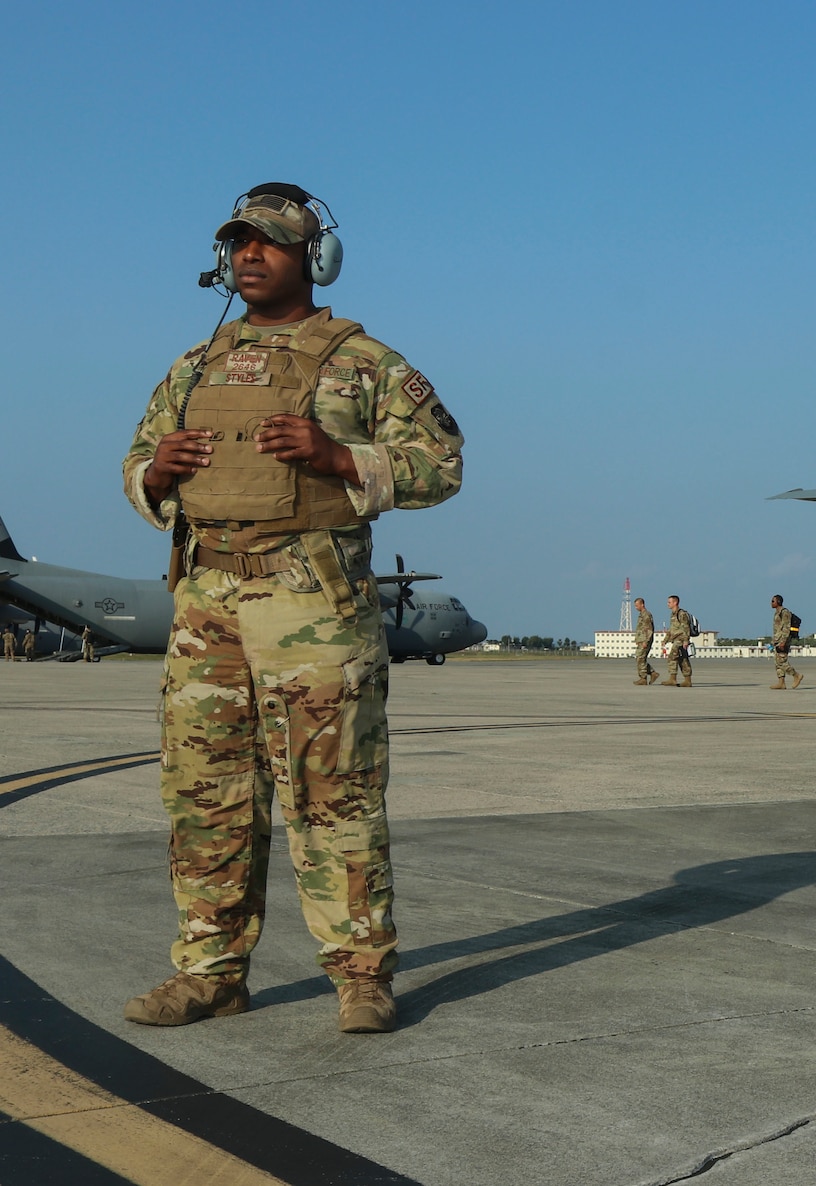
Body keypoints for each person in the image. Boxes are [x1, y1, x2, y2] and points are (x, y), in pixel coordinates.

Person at [120, 183, 464, 1035]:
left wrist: (340, 457)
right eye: (239, 241)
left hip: (310, 601)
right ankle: (209, 972)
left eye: (270, 241)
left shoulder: (365, 362)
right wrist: (156, 471)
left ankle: (360, 977)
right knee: (206, 793)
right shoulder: (192, 365)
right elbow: (137, 468)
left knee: (331, 793)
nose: (250, 254)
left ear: (315, 257)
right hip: (207, 606)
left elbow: (442, 464)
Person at [770, 594, 802, 689]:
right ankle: (781, 682)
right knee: (777, 662)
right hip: (777, 640)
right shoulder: (777, 613)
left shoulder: (785, 612)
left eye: (773, 601)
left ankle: (796, 675)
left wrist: (783, 641)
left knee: (782, 662)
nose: (771, 603)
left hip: (783, 640)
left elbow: (786, 627)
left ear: (778, 602)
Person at [663, 595, 694, 687]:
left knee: (672, 657)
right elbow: (672, 629)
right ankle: (687, 680)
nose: (668, 604)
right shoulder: (673, 614)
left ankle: (673, 679)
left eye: (669, 602)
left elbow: (686, 627)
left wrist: (686, 640)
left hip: (680, 639)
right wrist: (665, 640)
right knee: (682, 659)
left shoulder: (681, 614)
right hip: (676, 639)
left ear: (675, 602)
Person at [633, 596, 658, 685]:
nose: (636, 607)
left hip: (645, 641)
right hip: (641, 640)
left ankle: (643, 678)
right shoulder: (641, 615)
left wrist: (645, 641)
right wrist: (638, 639)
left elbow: (649, 629)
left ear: (642, 604)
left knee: (640, 658)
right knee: (639, 658)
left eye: (637, 605)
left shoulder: (646, 615)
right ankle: (652, 673)